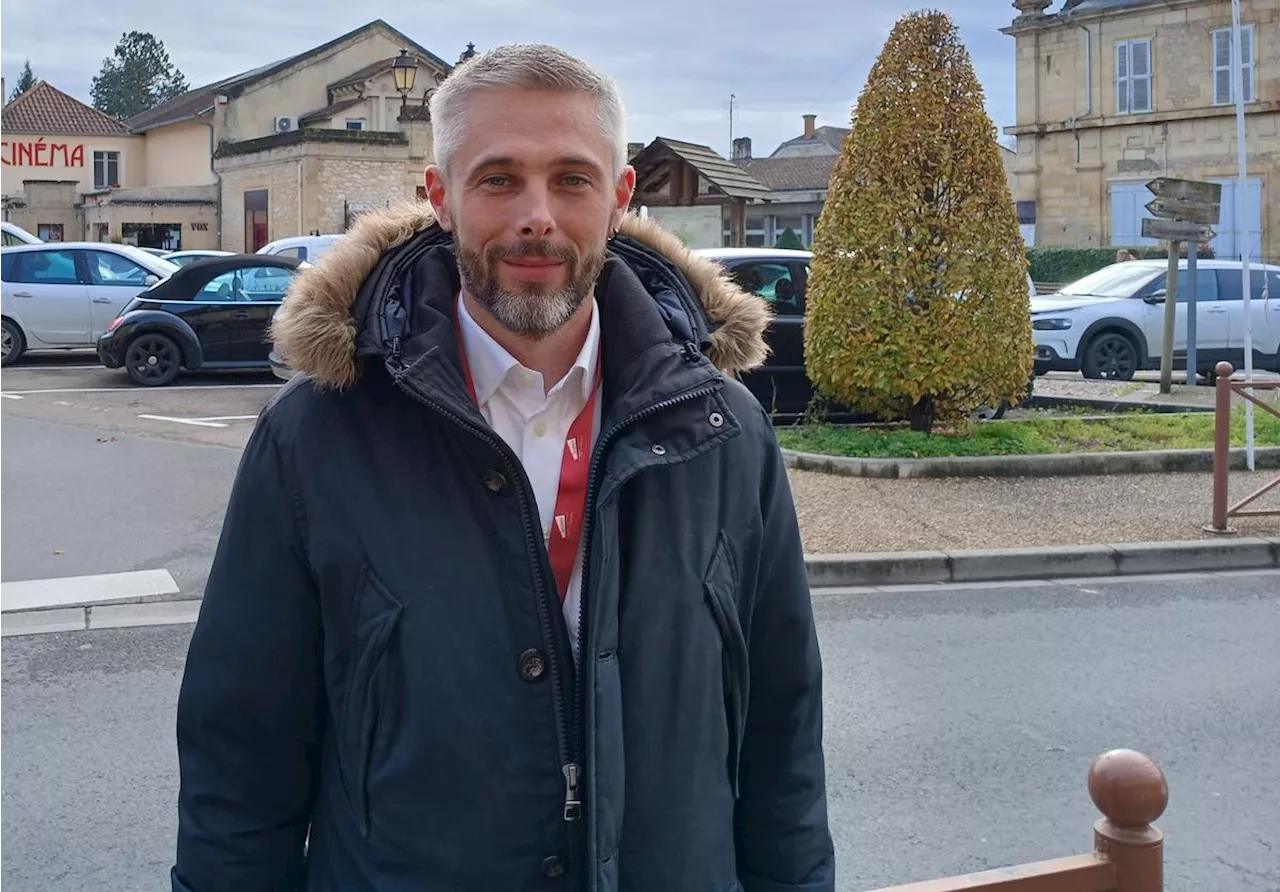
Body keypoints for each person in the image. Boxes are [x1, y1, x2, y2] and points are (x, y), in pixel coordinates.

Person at [170, 43, 834, 892]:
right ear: (439, 196)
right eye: (497, 180)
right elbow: (241, 755)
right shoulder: (315, 437)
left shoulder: (725, 433)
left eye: (571, 179)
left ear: (619, 197)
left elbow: (782, 733)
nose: (536, 217)